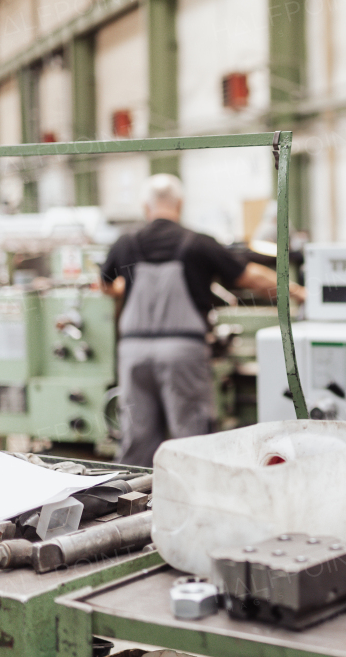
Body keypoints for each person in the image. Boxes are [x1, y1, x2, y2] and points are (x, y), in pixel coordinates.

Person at [101, 174, 305, 466]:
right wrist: (298, 291)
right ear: (180, 204)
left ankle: (134, 500)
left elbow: (107, 285)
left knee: (137, 437)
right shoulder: (197, 243)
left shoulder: (126, 243)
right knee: (191, 437)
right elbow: (251, 277)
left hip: (134, 353)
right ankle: (191, 499)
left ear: (146, 207)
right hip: (182, 352)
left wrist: (128, 289)